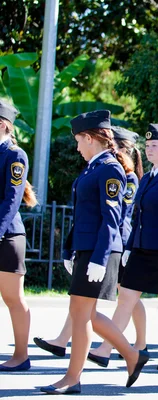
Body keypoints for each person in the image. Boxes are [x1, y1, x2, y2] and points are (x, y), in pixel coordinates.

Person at [42, 110, 150, 394]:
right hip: (86, 249)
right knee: (83, 314)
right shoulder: (93, 167)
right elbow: (82, 214)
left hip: (100, 251)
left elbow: (111, 218)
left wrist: (100, 258)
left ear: (90, 138)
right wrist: (69, 249)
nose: (77, 147)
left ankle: (73, 377)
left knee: (81, 314)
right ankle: (131, 354)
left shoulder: (110, 169)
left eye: (79, 141)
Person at [100, 123, 158, 371]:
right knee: (126, 297)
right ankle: (106, 348)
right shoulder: (149, 177)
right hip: (141, 249)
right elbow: (137, 216)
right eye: (147, 146)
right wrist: (130, 246)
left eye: (154, 146)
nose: (149, 150)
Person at [0, 101, 37, 372]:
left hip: (8, 236)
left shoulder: (15, 155)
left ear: (3, 125)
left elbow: (12, 201)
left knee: (13, 298)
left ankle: (21, 356)